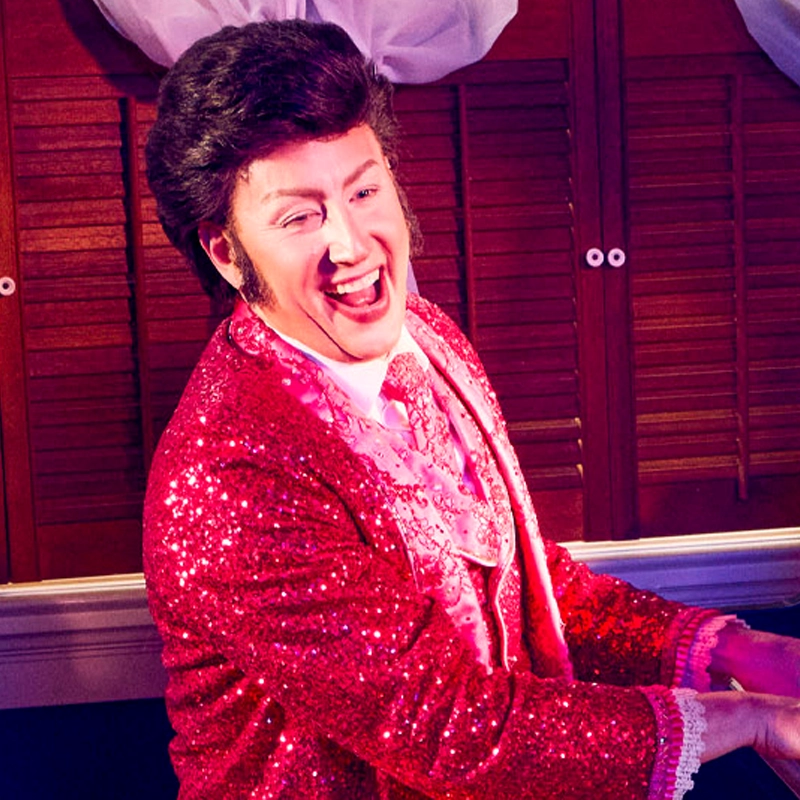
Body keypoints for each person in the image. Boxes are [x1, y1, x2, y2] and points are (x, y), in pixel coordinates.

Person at [142, 18, 800, 800]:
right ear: (226, 251)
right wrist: (746, 721)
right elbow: (447, 726)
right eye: (299, 216)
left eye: (363, 190)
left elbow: (522, 581)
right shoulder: (229, 472)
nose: (352, 244)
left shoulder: (427, 337)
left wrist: (730, 650)